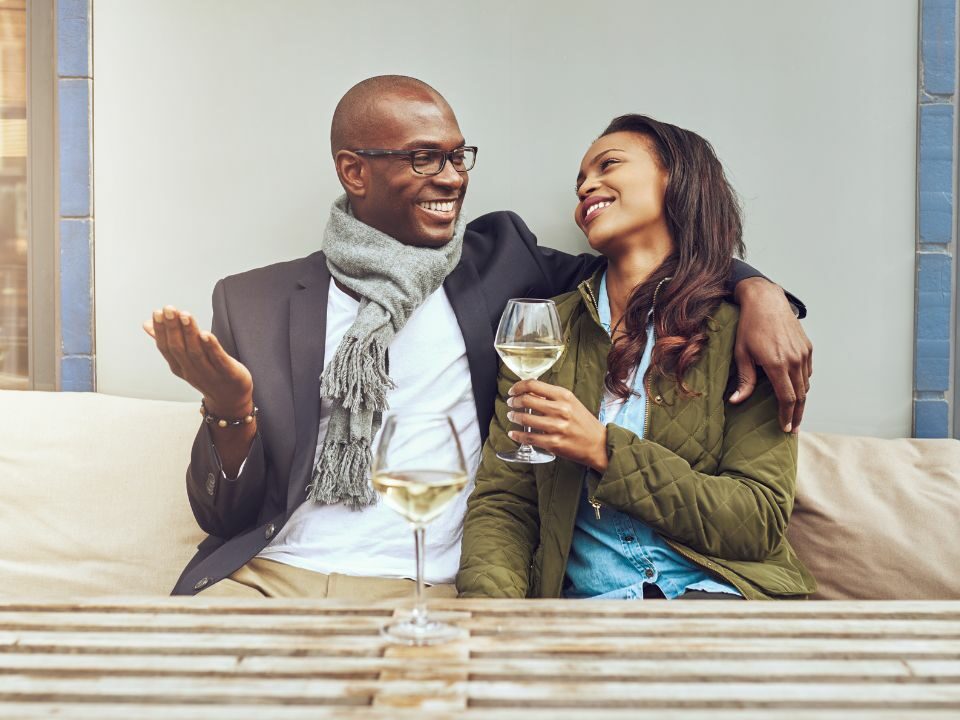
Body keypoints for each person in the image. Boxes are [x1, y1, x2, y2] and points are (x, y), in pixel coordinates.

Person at [143, 77, 812, 598]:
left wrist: (760, 290)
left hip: (425, 586)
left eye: (458, 156)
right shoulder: (252, 301)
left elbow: (655, 271)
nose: (454, 176)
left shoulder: (507, 270)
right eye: (426, 158)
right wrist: (231, 411)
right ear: (355, 171)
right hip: (270, 574)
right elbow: (221, 513)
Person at [457, 114, 817, 600]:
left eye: (609, 165)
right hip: (592, 618)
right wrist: (490, 621)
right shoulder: (547, 333)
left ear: (677, 178)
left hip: (722, 602)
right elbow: (505, 503)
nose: (587, 186)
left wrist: (604, 450)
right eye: (580, 180)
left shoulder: (744, 331)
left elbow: (756, 523)